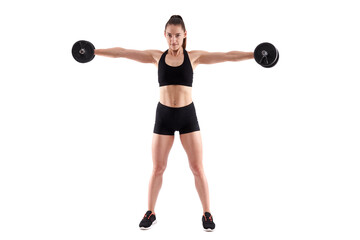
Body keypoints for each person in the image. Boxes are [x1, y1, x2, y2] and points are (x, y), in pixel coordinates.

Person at [94, 15, 254, 231]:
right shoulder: (156, 57)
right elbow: (123, 52)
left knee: (197, 167)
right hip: (164, 117)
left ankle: (207, 213)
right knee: (158, 168)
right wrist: (93, 51)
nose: (173, 40)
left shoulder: (194, 57)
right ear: (165, 35)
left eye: (177, 35)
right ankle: (150, 212)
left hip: (188, 116)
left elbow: (227, 56)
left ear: (184, 35)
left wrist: (255, 55)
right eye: (169, 35)